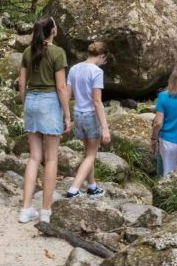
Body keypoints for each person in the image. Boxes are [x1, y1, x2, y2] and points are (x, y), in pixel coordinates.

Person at [17, 17, 71, 224]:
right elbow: (61, 87)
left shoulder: (27, 52)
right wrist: (66, 114)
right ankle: (46, 210)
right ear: (53, 31)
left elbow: (22, 84)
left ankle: (26, 208)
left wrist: (26, 104)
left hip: (31, 100)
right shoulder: (58, 53)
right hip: (50, 103)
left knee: (33, 157)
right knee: (51, 158)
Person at [65, 41, 111, 199]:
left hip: (77, 113)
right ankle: (74, 189)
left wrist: (67, 116)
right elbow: (97, 101)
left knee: (88, 153)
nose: (103, 63)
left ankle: (92, 187)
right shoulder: (97, 72)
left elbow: (67, 93)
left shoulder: (74, 68)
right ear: (101, 56)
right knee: (91, 155)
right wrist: (105, 127)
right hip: (91, 115)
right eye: (104, 60)